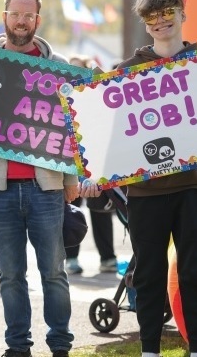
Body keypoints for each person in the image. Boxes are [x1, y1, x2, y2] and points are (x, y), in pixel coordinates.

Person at [93, 0, 197, 357]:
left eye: (168, 13)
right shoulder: (127, 72)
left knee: (195, 270)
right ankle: (150, 350)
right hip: (146, 192)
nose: (161, 21)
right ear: (145, 23)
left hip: (195, 185)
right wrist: (92, 171)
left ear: (182, 14)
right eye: (152, 16)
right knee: (148, 275)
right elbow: (108, 135)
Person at [0, 0, 78, 357]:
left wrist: (70, 181)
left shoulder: (59, 67)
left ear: (38, 21)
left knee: (53, 272)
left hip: (47, 186)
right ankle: (18, 346)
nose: (21, 21)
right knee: (10, 276)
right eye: (15, 14)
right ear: (4, 16)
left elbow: (71, 129)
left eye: (28, 16)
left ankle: (60, 344)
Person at [63, 55, 118, 275]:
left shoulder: (95, 96)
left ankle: (108, 257)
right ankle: (71, 258)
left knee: (100, 210)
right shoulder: (59, 95)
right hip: (69, 165)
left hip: (94, 163)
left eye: (78, 71)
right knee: (71, 210)